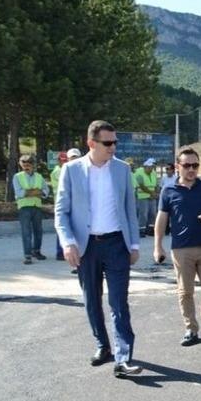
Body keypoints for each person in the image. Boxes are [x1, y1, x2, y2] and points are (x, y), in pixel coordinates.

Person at [54, 120, 143, 378]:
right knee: (92, 300)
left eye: (115, 142)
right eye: (108, 143)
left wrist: (134, 244)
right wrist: (68, 242)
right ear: (91, 143)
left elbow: (130, 210)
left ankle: (123, 357)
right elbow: (61, 212)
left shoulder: (122, 169)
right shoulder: (71, 171)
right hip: (87, 246)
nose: (113, 147)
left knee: (119, 302)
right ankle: (103, 346)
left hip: (117, 244)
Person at [154, 147, 201, 346]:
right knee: (185, 292)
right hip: (181, 249)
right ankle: (191, 329)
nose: (191, 169)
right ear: (177, 167)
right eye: (187, 165)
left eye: (195, 165)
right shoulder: (168, 191)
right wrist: (158, 246)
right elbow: (161, 219)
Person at [14, 154, 49, 264]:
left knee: (38, 231)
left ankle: (36, 251)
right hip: (24, 207)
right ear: (20, 164)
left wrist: (30, 192)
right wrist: (36, 191)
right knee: (26, 232)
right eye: (23, 165)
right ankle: (27, 255)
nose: (26, 167)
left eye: (28, 164)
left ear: (33, 165)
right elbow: (19, 193)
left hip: (36, 207)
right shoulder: (17, 176)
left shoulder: (39, 176)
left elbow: (45, 191)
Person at [52, 148, 83, 265]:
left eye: (76, 158)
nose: (74, 160)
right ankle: (60, 252)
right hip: (64, 205)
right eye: (71, 158)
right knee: (63, 227)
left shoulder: (83, 170)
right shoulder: (59, 171)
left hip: (77, 206)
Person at [50, 151, 68, 260]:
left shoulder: (65, 169)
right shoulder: (57, 172)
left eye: (66, 160)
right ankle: (60, 252)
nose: (64, 162)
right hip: (60, 203)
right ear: (58, 161)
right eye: (62, 160)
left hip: (66, 202)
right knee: (61, 227)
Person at [135, 158, 159, 236]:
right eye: (150, 167)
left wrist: (156, 193)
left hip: (152, 197)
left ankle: (151, 229)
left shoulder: (154, 173)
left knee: (153, 213)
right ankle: (141, 230)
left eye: (152, 166)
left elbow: (156, 185)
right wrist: (152, 193)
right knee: (143, 214)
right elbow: (141, 185)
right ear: (145, 166)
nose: (151, 168)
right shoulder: (139, 172)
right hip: (143, 196)